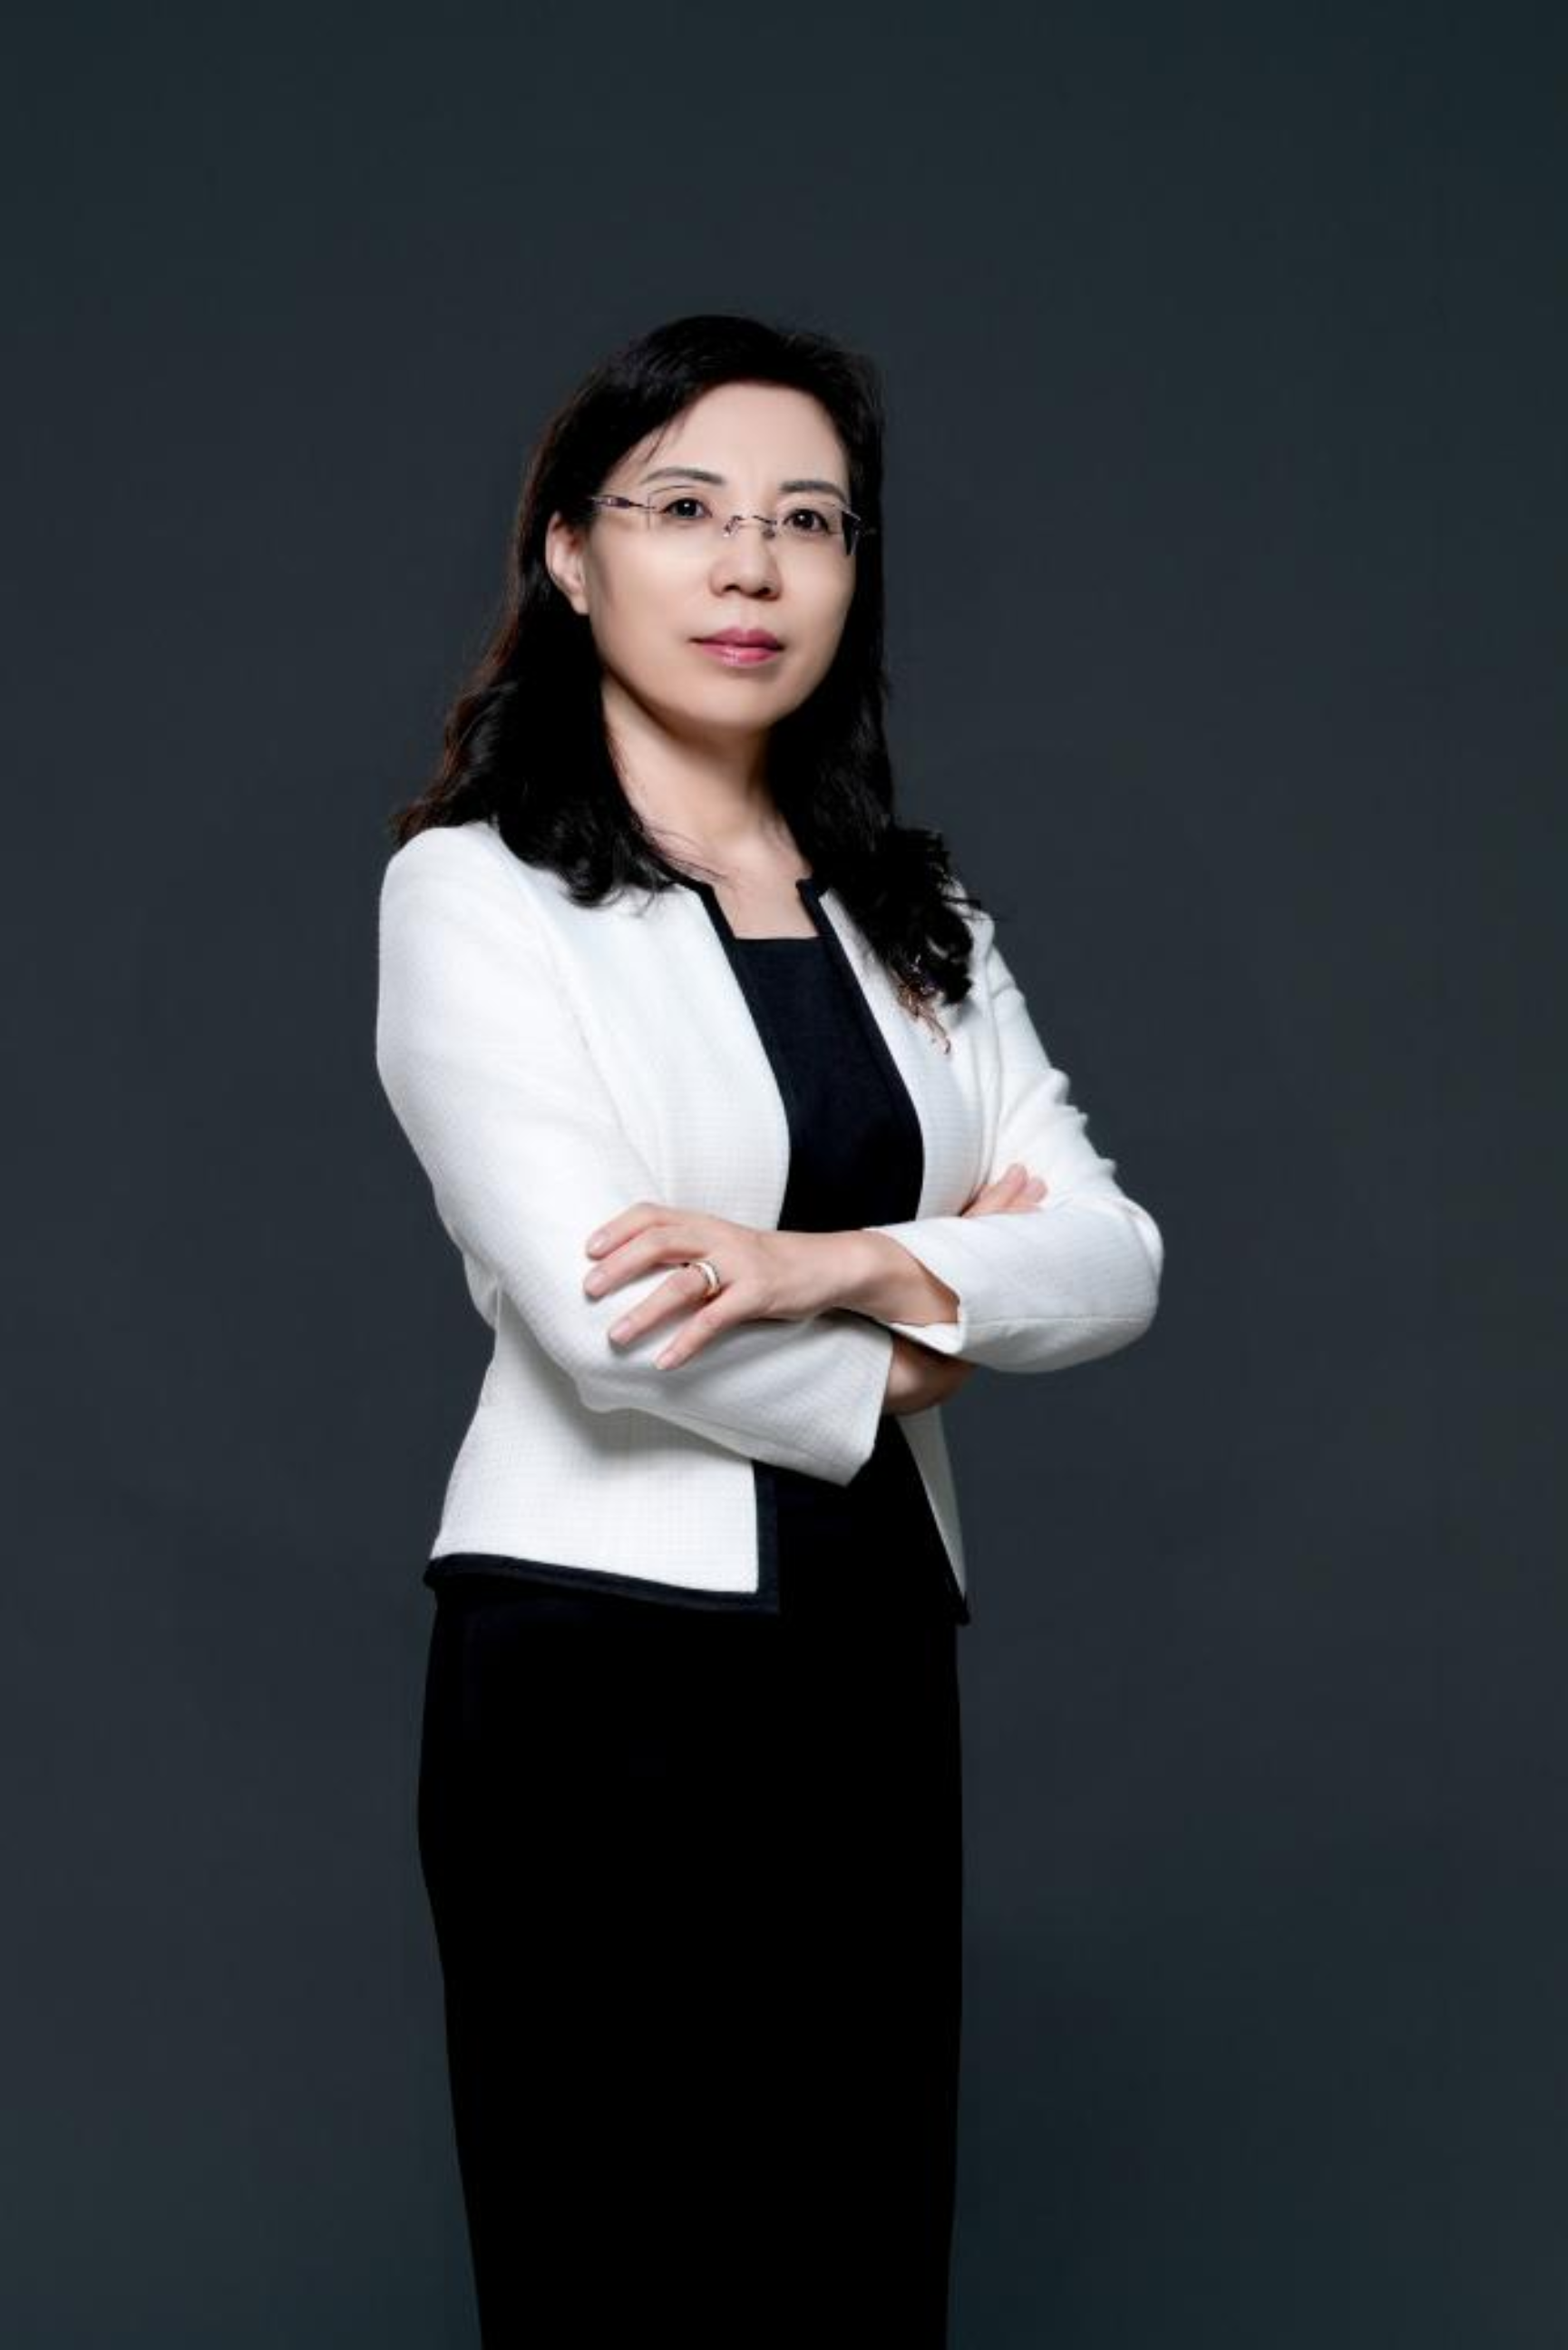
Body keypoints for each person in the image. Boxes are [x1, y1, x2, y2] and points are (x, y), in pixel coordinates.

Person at [374, 311, 1164, 2348]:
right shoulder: (477, 893)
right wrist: (936, 1325)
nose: (753, 565)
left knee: (856, 2250)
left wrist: (826, 1265)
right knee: (621, 2261)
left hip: (875, 1645)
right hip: (592, 1662)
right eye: (689, 508)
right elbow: (610, 1317)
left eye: (809, 519)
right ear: (573, 553)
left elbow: (1114, 1253)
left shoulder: (918, 913)